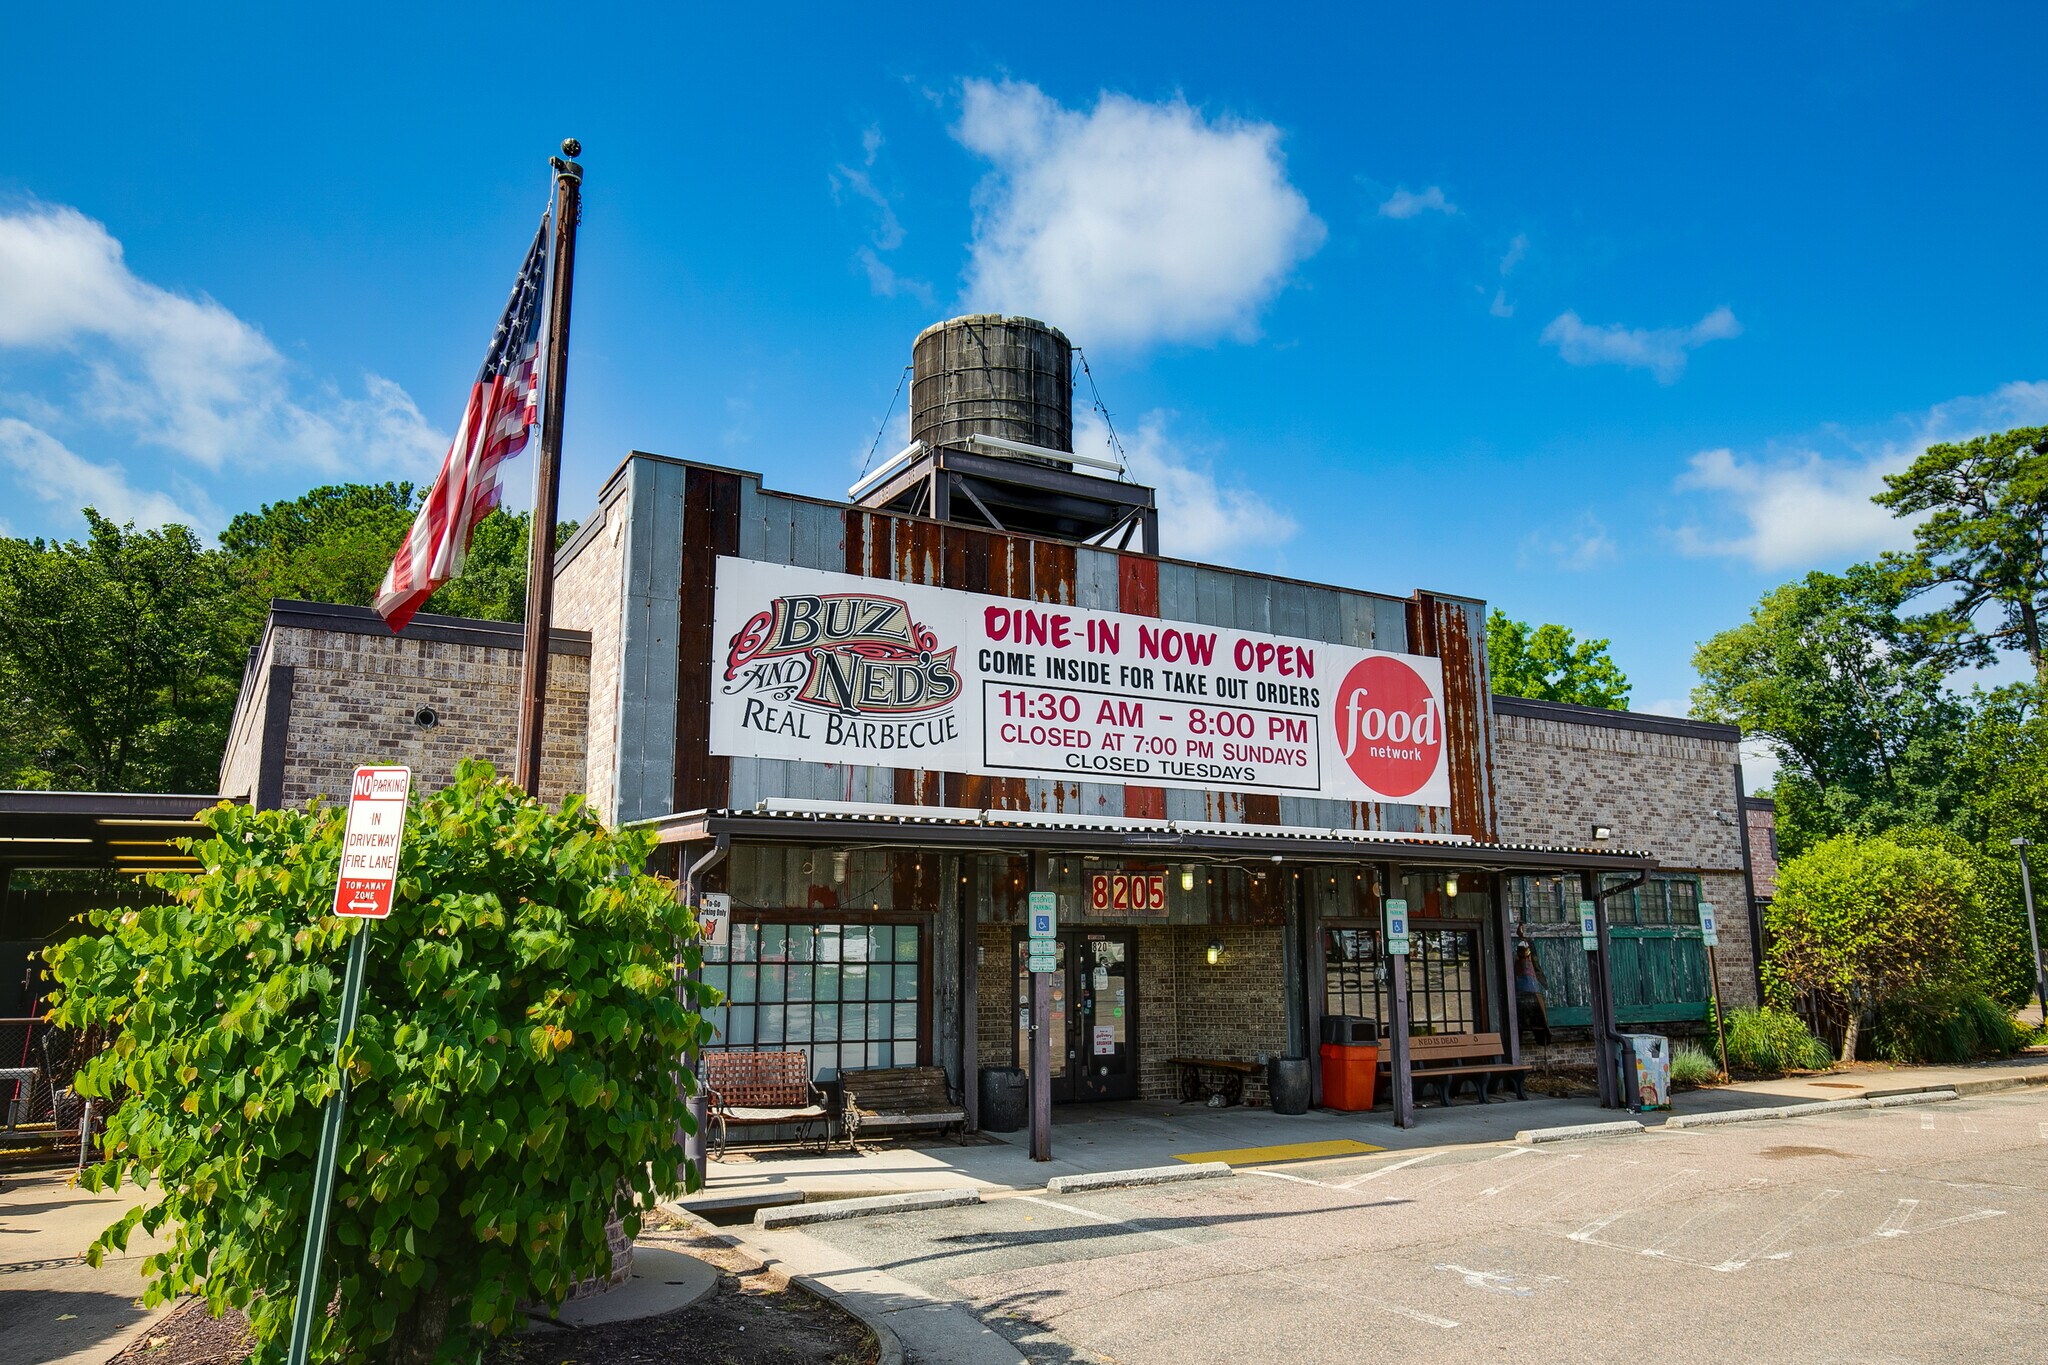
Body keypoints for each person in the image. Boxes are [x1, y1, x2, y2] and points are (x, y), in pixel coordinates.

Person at [1513, 932, 1550, 1046]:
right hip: (1524, 990)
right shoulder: (1519, 963)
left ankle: (1542, 1038)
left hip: (1528, 990)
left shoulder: (1527, 961)